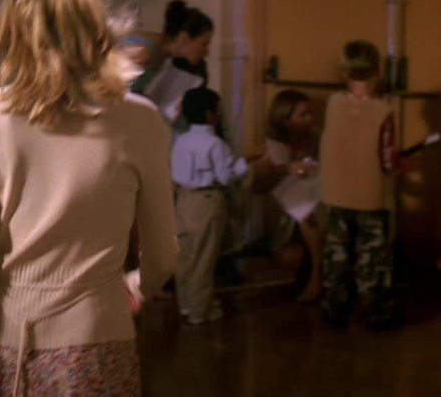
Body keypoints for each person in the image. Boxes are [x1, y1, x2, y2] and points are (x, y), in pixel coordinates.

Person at [0, 0, 178, 396]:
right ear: (97, 21)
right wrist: (135, 285)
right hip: (98, 341)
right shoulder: (141, 120)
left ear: (13, 22)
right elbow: (163, 254)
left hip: (0, 340)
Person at [319, 40, 402, 330]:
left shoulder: (333, 104)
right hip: (369, 193)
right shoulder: (384, 110)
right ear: (378, 71)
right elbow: (387, 159)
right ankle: (376, 311)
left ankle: (335, 306)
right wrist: (397, 167)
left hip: (335, 191)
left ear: (344, 71)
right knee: (372, 256)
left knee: (337, 252)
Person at [171, 87, 248, 324]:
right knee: (204, 258)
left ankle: (186, 303)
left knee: (186, 256)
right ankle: (200, 309)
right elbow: (225, 177)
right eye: (218, 110)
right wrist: (244, 165)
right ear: (209, 114)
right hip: (207, 201)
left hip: (183, 200)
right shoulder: (215, 144)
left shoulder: (181, 140)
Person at [256, 89, 325, 302]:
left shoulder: (316, 138)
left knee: (312, 218)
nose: (310, 118)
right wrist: (286, 169)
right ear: (285, 119)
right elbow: (258, 184)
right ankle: (313, 277)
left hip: (314, 196)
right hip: (288, 204)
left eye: (310, 113)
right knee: (306, 221)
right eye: (303, 115)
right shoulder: (271, 144)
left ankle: (316, 278)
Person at [123, 0, 213, 95]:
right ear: (184, 38)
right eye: (204, 44)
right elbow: (114, 94)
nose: (207, 52)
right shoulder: (141, 53)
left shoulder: (163, 58)